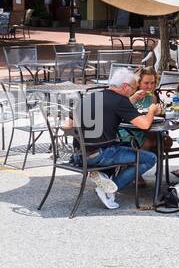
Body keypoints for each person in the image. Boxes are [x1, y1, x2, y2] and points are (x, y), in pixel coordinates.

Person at [65, 67, 163, 210]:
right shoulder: (120, 101)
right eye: (133, 88)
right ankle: (110, 188)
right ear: (125, 86)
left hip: (78, 155)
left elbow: (68, 126)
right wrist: (152, 111)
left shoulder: (90, 96)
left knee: (125, 145)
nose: (133, 91)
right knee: (150, 158)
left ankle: (103, 175)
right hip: (99, 155)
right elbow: (145, 124)